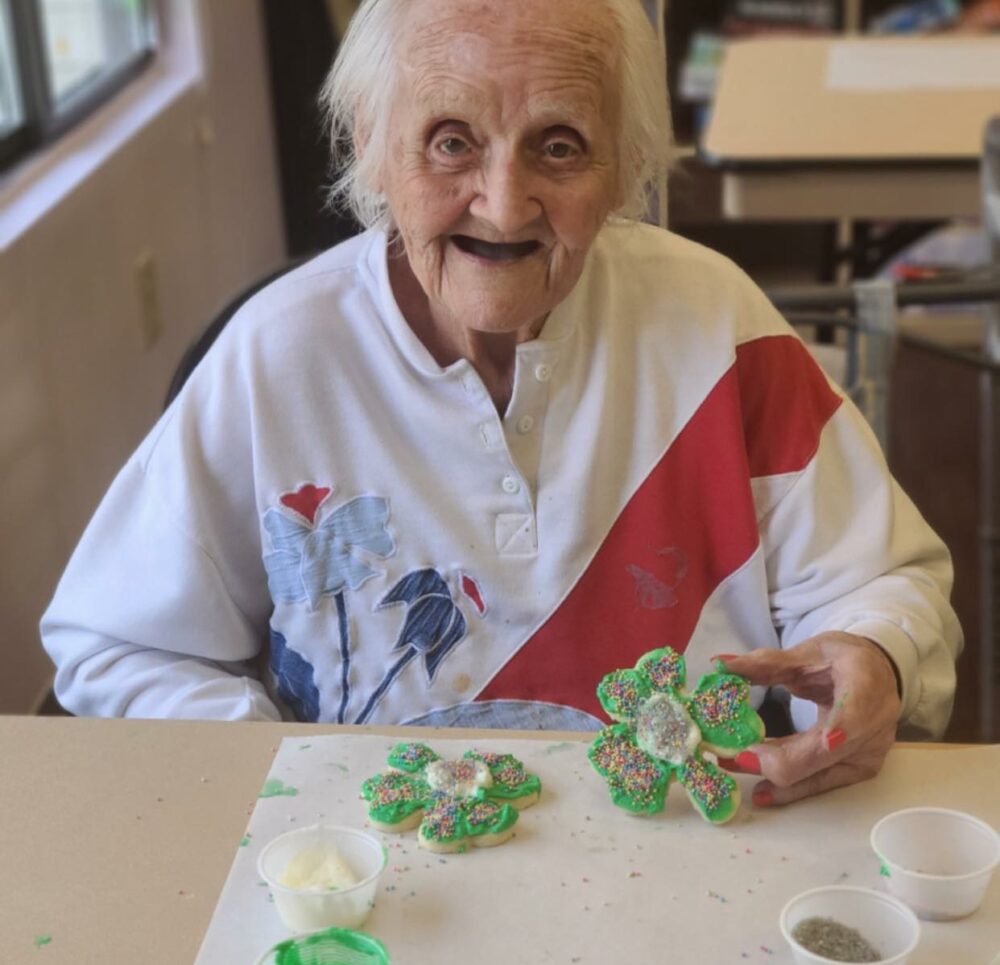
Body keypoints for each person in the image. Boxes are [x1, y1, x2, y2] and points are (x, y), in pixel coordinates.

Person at [40, 0, 962, 809]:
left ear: (631, 164)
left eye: (559, 145)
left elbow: (882, 581)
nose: (503, 202)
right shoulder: (275, 358)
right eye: (451, 140)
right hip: (376, 872)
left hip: (695, 846)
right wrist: (291, 774)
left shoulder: (718, 325)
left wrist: (873, 654)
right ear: (368, 140)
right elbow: (117, 645)